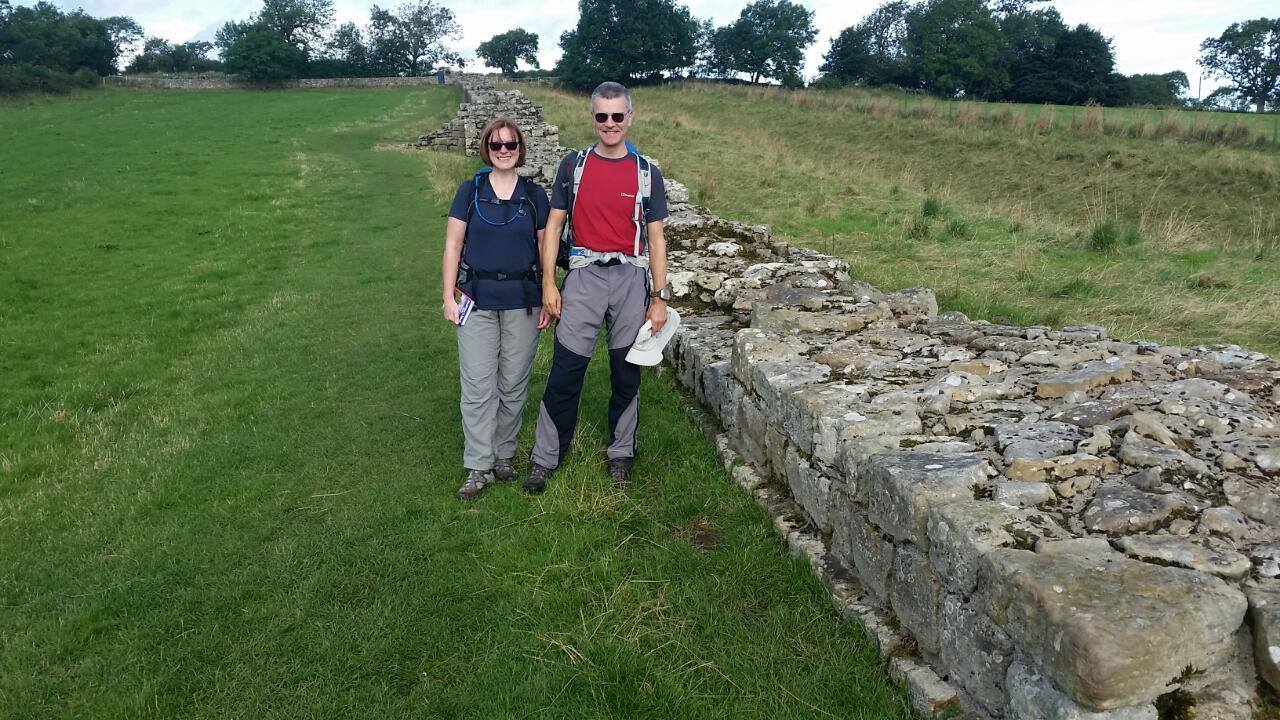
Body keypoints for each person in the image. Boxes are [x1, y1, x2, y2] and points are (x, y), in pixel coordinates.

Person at [524, 81, 671, 493]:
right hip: (584, 275)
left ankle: (621, 454)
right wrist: (549, 285)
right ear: (593, 118)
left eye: (617, 116)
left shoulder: (646, 173)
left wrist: (659, 298)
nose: (610, 124)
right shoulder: (574, 166)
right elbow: (553, 226)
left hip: (630, 280)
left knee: (627, 372)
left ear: (630, 118)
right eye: (602, 116)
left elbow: (656, 238)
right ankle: (544, 458)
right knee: (566, 368)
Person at [442, 118, 551, 501]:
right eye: (495, 144)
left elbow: (545, 249)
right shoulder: (469, 190)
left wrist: (549, 293)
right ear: (485, 149)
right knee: (477, 385)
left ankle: (504, 454)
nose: (503, 150)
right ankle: (478, 465)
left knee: (513, 382)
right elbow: (454, 245)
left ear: (520, 148)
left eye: (510, 144)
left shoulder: (535, 195)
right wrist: (447, 297)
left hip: (523, 300)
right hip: (476, 299)